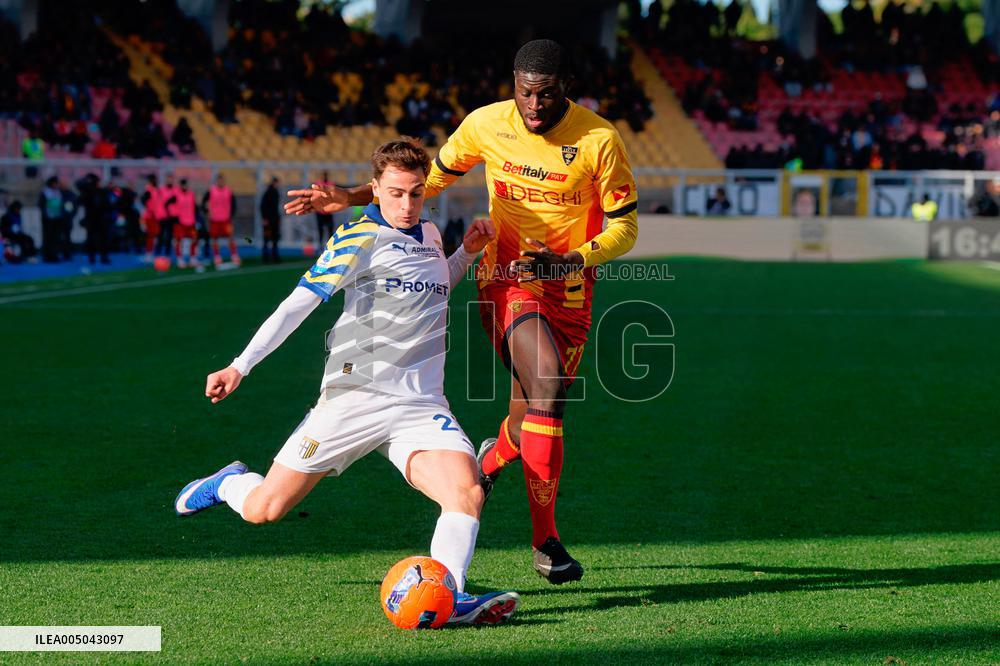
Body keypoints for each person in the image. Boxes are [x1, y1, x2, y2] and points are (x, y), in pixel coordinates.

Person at [285, 40, 639, 584]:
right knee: (548, 387)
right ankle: (546, 541)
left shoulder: (599, 140)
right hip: (505, 280)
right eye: (525, 93)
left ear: (566, 85)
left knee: (531, 420)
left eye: (546, 94)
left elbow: (625, 228)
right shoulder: (484, 125)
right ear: (513, 86)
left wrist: (572, 259)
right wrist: (356, 196)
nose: (535, 106)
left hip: (570, 290)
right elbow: (429, 180)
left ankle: (491, 459)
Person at [175, 139, 518, 625]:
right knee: (264, 509)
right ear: (375, 188)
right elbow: (299, 303)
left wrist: (465, 253)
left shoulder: (433, 234)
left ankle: (449, 598)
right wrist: (239, 365)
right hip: (354, 400)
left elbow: (433, 288)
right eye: (395, 193)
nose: (406, 204)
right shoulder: (358, 237)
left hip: (421, 404)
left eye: (416, 193)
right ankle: (230, 483)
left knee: (466, 493)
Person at [203, 174, 240, 265]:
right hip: (214, 219)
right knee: (214, 239)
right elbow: (204, 202)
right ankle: (217, 256)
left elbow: (233, 204)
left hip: (226, 219)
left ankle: (234, 255)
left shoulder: (228, 191)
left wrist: (231, 215)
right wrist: (207, 212)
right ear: (216, 181)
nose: (221, 182)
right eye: (219, 180)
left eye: (222, 180)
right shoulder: (211, 191)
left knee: (230, 237)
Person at [173, 179, 199, 268]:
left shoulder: (191, 194)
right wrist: (174, 216)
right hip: (180, 222)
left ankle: (192, 258)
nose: (185, 186)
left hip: (191, 222)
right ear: (180, 186)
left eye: (186, 185)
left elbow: (195, 207)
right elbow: (167, 205)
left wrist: (197, 218)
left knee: (194, 240)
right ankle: (180, 259)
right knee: (178, 241)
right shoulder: (176, 195)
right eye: (183, 185)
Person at [141, 174, 167, 261]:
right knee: (150, 236)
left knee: (155, 236)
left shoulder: (157, 191)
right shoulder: (149, 191)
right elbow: (143, 201)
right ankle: (148, 253)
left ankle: (152, 253)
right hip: (151, 217)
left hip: (157, 217)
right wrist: (150, 211)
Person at [39, 176, 64, 262]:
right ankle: (47, 255)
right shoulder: (45, 192)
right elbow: (41, 205)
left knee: (56, 238)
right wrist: (46, 215)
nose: (57, 185)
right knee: (47, 238)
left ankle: (54, 255)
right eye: (55, 183)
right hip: (48, 219)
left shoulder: (58, 192)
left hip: (57, 219)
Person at [159, 174, 180, 264]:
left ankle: (178, 256)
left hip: (175, 216)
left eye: (171, 179)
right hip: (165, 217)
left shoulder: (176, 190)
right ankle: (161, 255)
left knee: (177, 237)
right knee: (164, 236)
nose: (169, 181)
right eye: (168, 179)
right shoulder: (161, 190)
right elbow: (159, 203)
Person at [260, 177, 281, 263]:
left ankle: (269, 256)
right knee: (270, 238)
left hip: (272, 219)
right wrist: (265, 218)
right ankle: (271, 256)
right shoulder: (271, 192)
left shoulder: (270, 192)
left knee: (270, 238)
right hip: (271, 220)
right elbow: (263, 206)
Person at [315, 171, 335, 248]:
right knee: (321, 231)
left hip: (328, 212)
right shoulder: (318, 185)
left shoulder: (330, 184)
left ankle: (330, 246)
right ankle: (320, 246)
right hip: (320, 212)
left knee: (330, 230)